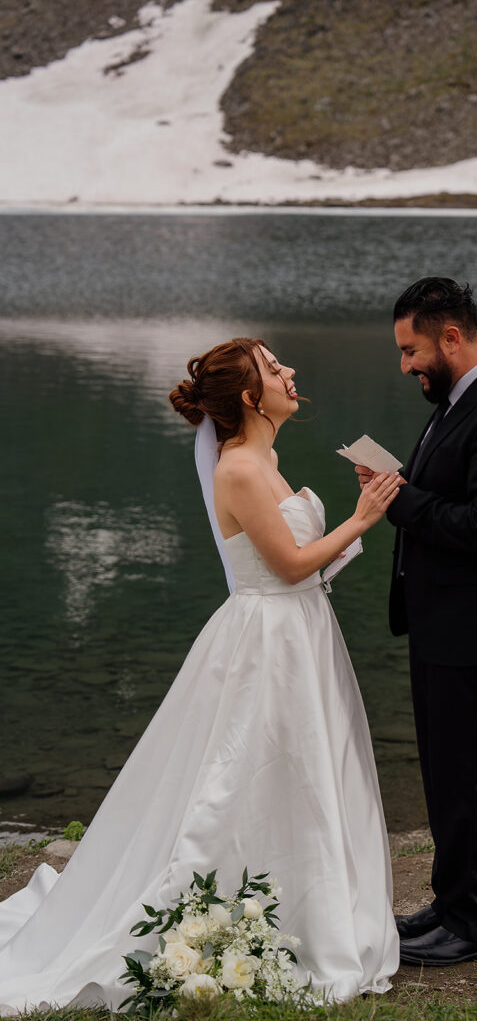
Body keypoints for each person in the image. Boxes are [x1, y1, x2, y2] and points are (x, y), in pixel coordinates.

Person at [0, 338, 400, 1010]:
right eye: (273, 368)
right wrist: (362, 518)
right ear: (249, 397)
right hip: (268, 640)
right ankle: (228, 908)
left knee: (302, 766)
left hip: (299, 630)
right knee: (247, 770)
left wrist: (355, 518)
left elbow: (297, 560)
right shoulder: (238, 468)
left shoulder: (265, 459)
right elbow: (288, 568)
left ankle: (295, 907)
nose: (289, 372)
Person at [357, 278, 477, 967]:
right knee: (444, 773)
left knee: (465, 778)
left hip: (476, 628)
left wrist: (400, 501)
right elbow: (452, 492)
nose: (405, 365)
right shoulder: (459, 400)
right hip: (444, 623)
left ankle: (474, 925)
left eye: (411, 351)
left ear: (452, 338)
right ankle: (450, 902)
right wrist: (398, 483)